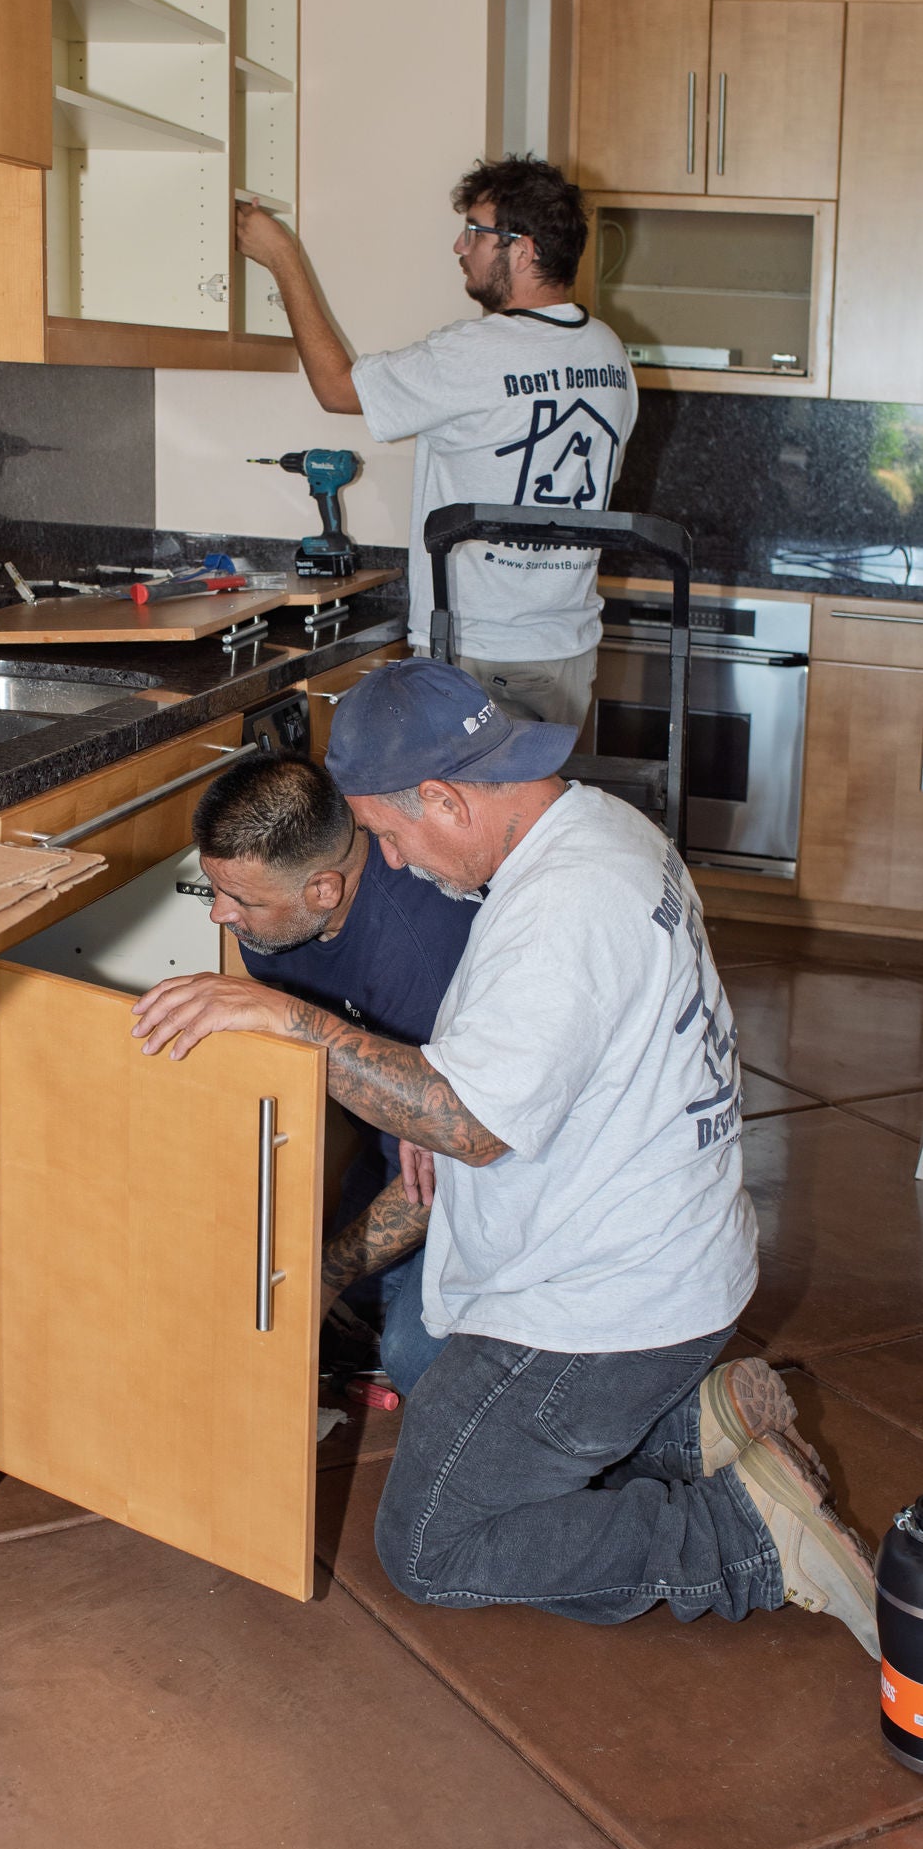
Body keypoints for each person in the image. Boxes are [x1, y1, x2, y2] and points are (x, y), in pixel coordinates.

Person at [131, 660, 878, 1657]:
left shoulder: (559, 910)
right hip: (665, 1259)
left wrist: (283, 1018)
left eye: (390, 835)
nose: (388, 862)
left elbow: (470, 1124)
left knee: (433, 1543)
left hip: (608, 1305)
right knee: (437, 1366)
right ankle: (687, 1428)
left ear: (444, 795)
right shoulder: (600, 828)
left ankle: (740, 1537)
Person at [236, 154, 638, 727]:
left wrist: (283, 259)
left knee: (462, 812)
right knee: (530, 814)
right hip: (566, 646)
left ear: (522, 251)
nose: (459, 246)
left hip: (481, 648)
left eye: (476, 231)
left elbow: (336, 388)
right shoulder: (607, 351)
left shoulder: (476, 352)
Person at [191, 750, 478, 1333]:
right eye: (216, 888)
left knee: (406, 1348)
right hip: (393, 1139)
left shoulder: (422, 958)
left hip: (488, 1158)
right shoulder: (277, 923)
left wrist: (320, 1276)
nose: (220, 914)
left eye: (241, 900)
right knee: (357, 1313)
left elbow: (461, 1153)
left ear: (323, 890)